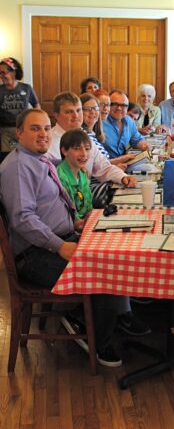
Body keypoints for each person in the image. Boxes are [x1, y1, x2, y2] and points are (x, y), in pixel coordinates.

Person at [0, 109, 125, 367]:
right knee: (106, 269)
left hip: (60, 238)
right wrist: (60, 246)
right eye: (35, 128)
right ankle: (92, 334)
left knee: (116, 249)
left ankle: (112, 313)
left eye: (46, 128)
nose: (43, 134)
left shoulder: (39, 159)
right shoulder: (18, 167)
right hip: (34, 256)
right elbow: (22, 219)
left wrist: (75, 222)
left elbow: (48, 205)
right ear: (19, 132)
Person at [46, 91, 137, 189]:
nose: (76, 116)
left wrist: (123, 177)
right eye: (69, 112)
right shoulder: (48, 144)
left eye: (78, 110)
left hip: (86, 196)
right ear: (56, 115)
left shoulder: (84, 136)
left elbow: (104, 168)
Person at [80, 92, 134, 169]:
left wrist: (122, 159)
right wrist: (114, 166)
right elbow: (90, 168)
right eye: (87, 109)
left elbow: (100, 163)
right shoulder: (82, 136)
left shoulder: (93, 133)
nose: (92, 112)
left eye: (95, 108)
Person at [0, 57, 40, 152]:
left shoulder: (26, 88)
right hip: (6, 131)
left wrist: (37, 123)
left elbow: (36, 105)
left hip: (24, 129)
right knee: (7, 157)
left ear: (13, 72)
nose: (1, 76)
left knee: (25, 153)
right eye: (0, 73)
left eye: (3, 72)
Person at [57, 129, 93, 232]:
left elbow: (88, 204)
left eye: (87, 149)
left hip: (86, 222)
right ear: (64, 151)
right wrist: (80, 222)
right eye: (77, 148)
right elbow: (70, 212)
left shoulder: (82, 173)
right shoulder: (61, 177)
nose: (84, 154)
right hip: (72, 229)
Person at [103, 89, 150, 158]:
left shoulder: (129, 121)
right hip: (106, 165)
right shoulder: (100, 121)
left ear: (127, 108)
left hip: (123, 164)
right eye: (115, 104)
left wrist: (144, 145)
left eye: (123, 105)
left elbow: (137, 140)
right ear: (108, 105)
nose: (119, 108)